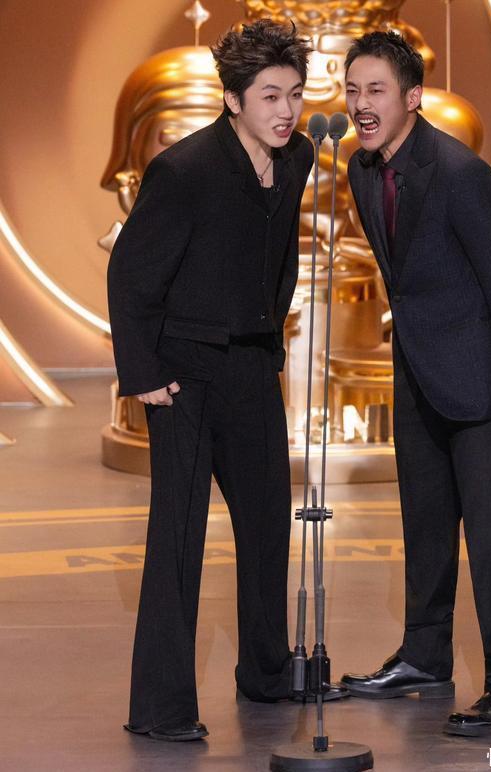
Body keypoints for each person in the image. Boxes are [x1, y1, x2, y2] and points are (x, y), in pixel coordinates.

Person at [107, 20, 345, 743]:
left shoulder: (297, 156)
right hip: (184, 375)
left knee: (268, 523)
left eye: (295, 94)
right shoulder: (184, 171)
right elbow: (130, 275)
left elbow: (278, 256)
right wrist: (144, 375)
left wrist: (270, 337)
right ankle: (160, 709)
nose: (286, 110)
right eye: (270, 96)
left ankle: (267, 673)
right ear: (234, 99)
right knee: (177, 539)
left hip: (250, 368)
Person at [340, 31, 491, 737]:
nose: (361, 104)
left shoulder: (461, 173)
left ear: (412, 98)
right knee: (425, 523)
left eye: (376, 90)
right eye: (352, 90)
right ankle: (425, 656)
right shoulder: (362, 170)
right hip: (416, 373)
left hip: (482, 380)